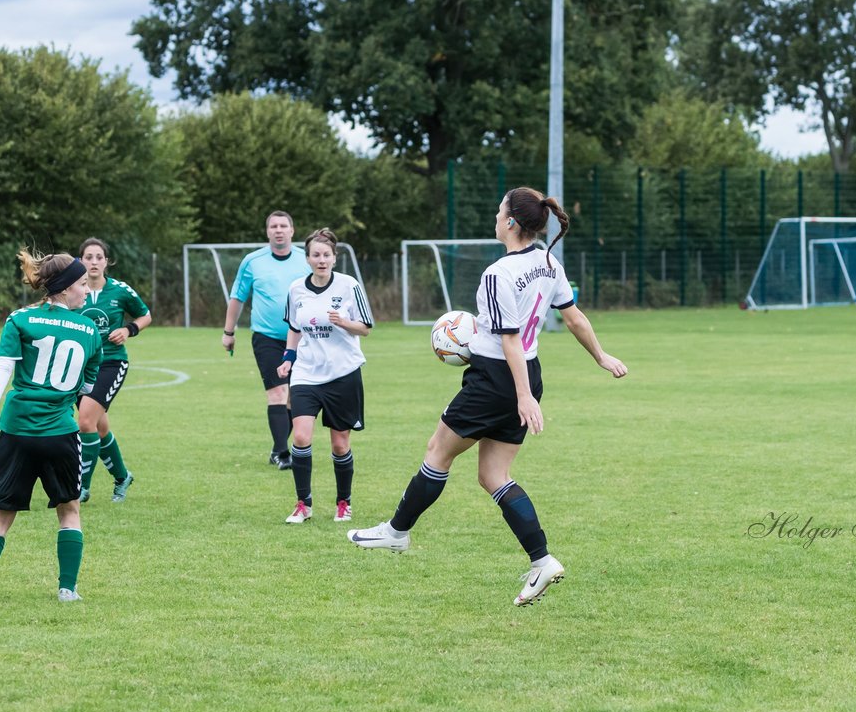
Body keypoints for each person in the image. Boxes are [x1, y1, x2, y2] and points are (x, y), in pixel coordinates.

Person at [348, 187, 628, 607]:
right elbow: (574, 318)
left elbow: (510, 340)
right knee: (493, 475)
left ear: (512, 222)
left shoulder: (498, 274)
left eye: (500, 211)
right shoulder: (549, 262)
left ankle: (397, 532)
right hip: (526, 376)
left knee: (437, 451)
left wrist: (520, 398)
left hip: (497, 381)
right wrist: (600, 356)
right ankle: (542, 561)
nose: (495, 217)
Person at [0, 249, 104, 605]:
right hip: (60, 433)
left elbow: (4, 366)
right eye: (82, 284)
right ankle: (67, 589)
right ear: (64, 287)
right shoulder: (89, 329)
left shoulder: (20, 319)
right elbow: (86, 387)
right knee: (69, 510)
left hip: (18, 432)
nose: (87, 291)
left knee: (1, 515)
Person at [275, 228, 373, 524]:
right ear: (307, 258)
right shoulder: (296, 289)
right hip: (306, 372)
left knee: (339, 445)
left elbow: (366, 327)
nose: (321, 260)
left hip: (343, 372)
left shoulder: (349, 285)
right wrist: (288, 358)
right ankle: (303, 504)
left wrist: (344, 322)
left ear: (334, 258)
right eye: (315, 255)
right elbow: (294, 328)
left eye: (326, 255)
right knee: (302, 436)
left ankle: (344, 502)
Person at [222, 211, 313, 468]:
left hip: (303, 339)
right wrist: (229, 332)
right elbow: (238, 297)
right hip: (267, 338)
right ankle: (284, 455)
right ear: (267, 231)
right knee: (277, 392)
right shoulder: (252, 261)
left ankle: (277, 448)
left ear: (292, 231)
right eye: (273, 226)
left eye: (284, 225)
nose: (279, 230)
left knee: (295, 396)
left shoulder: (305, 260)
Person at [75, 237, 152, 503]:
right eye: (88, 257)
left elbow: (145, 315)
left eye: (99, 257)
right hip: (79, 368)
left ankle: (81, 488)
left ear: (107, 262)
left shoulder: (120, 290)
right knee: (98, 427)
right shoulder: (73, 291)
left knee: (85, 421)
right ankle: (122, 477)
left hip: (111, 363)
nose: (94, 262)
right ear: (80, 261)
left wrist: (129, 329)